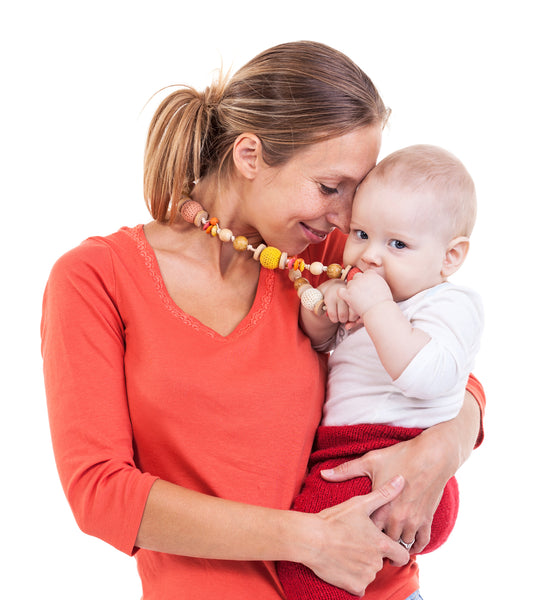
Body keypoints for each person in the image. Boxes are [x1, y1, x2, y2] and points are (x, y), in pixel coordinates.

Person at [41, 41, 486, 600]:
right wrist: (308, 540)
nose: (346, 217)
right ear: (250, 157)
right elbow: (100, 493)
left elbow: (446, 360)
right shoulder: (96, 278)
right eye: (330, 187)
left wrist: (439, 452)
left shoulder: (333, 255)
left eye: (357, 192)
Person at [277, 144, 484, 599]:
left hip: (401, 458)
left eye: (397, 244)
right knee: (319, 558)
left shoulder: (449, 304)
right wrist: (325, 307)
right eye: (361, 234)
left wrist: (376, 308)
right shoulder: (369, 293)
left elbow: (428, 376)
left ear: (450, 257)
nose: (369, 255)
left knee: (305, 571)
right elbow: (317, 344)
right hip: (340, 454)